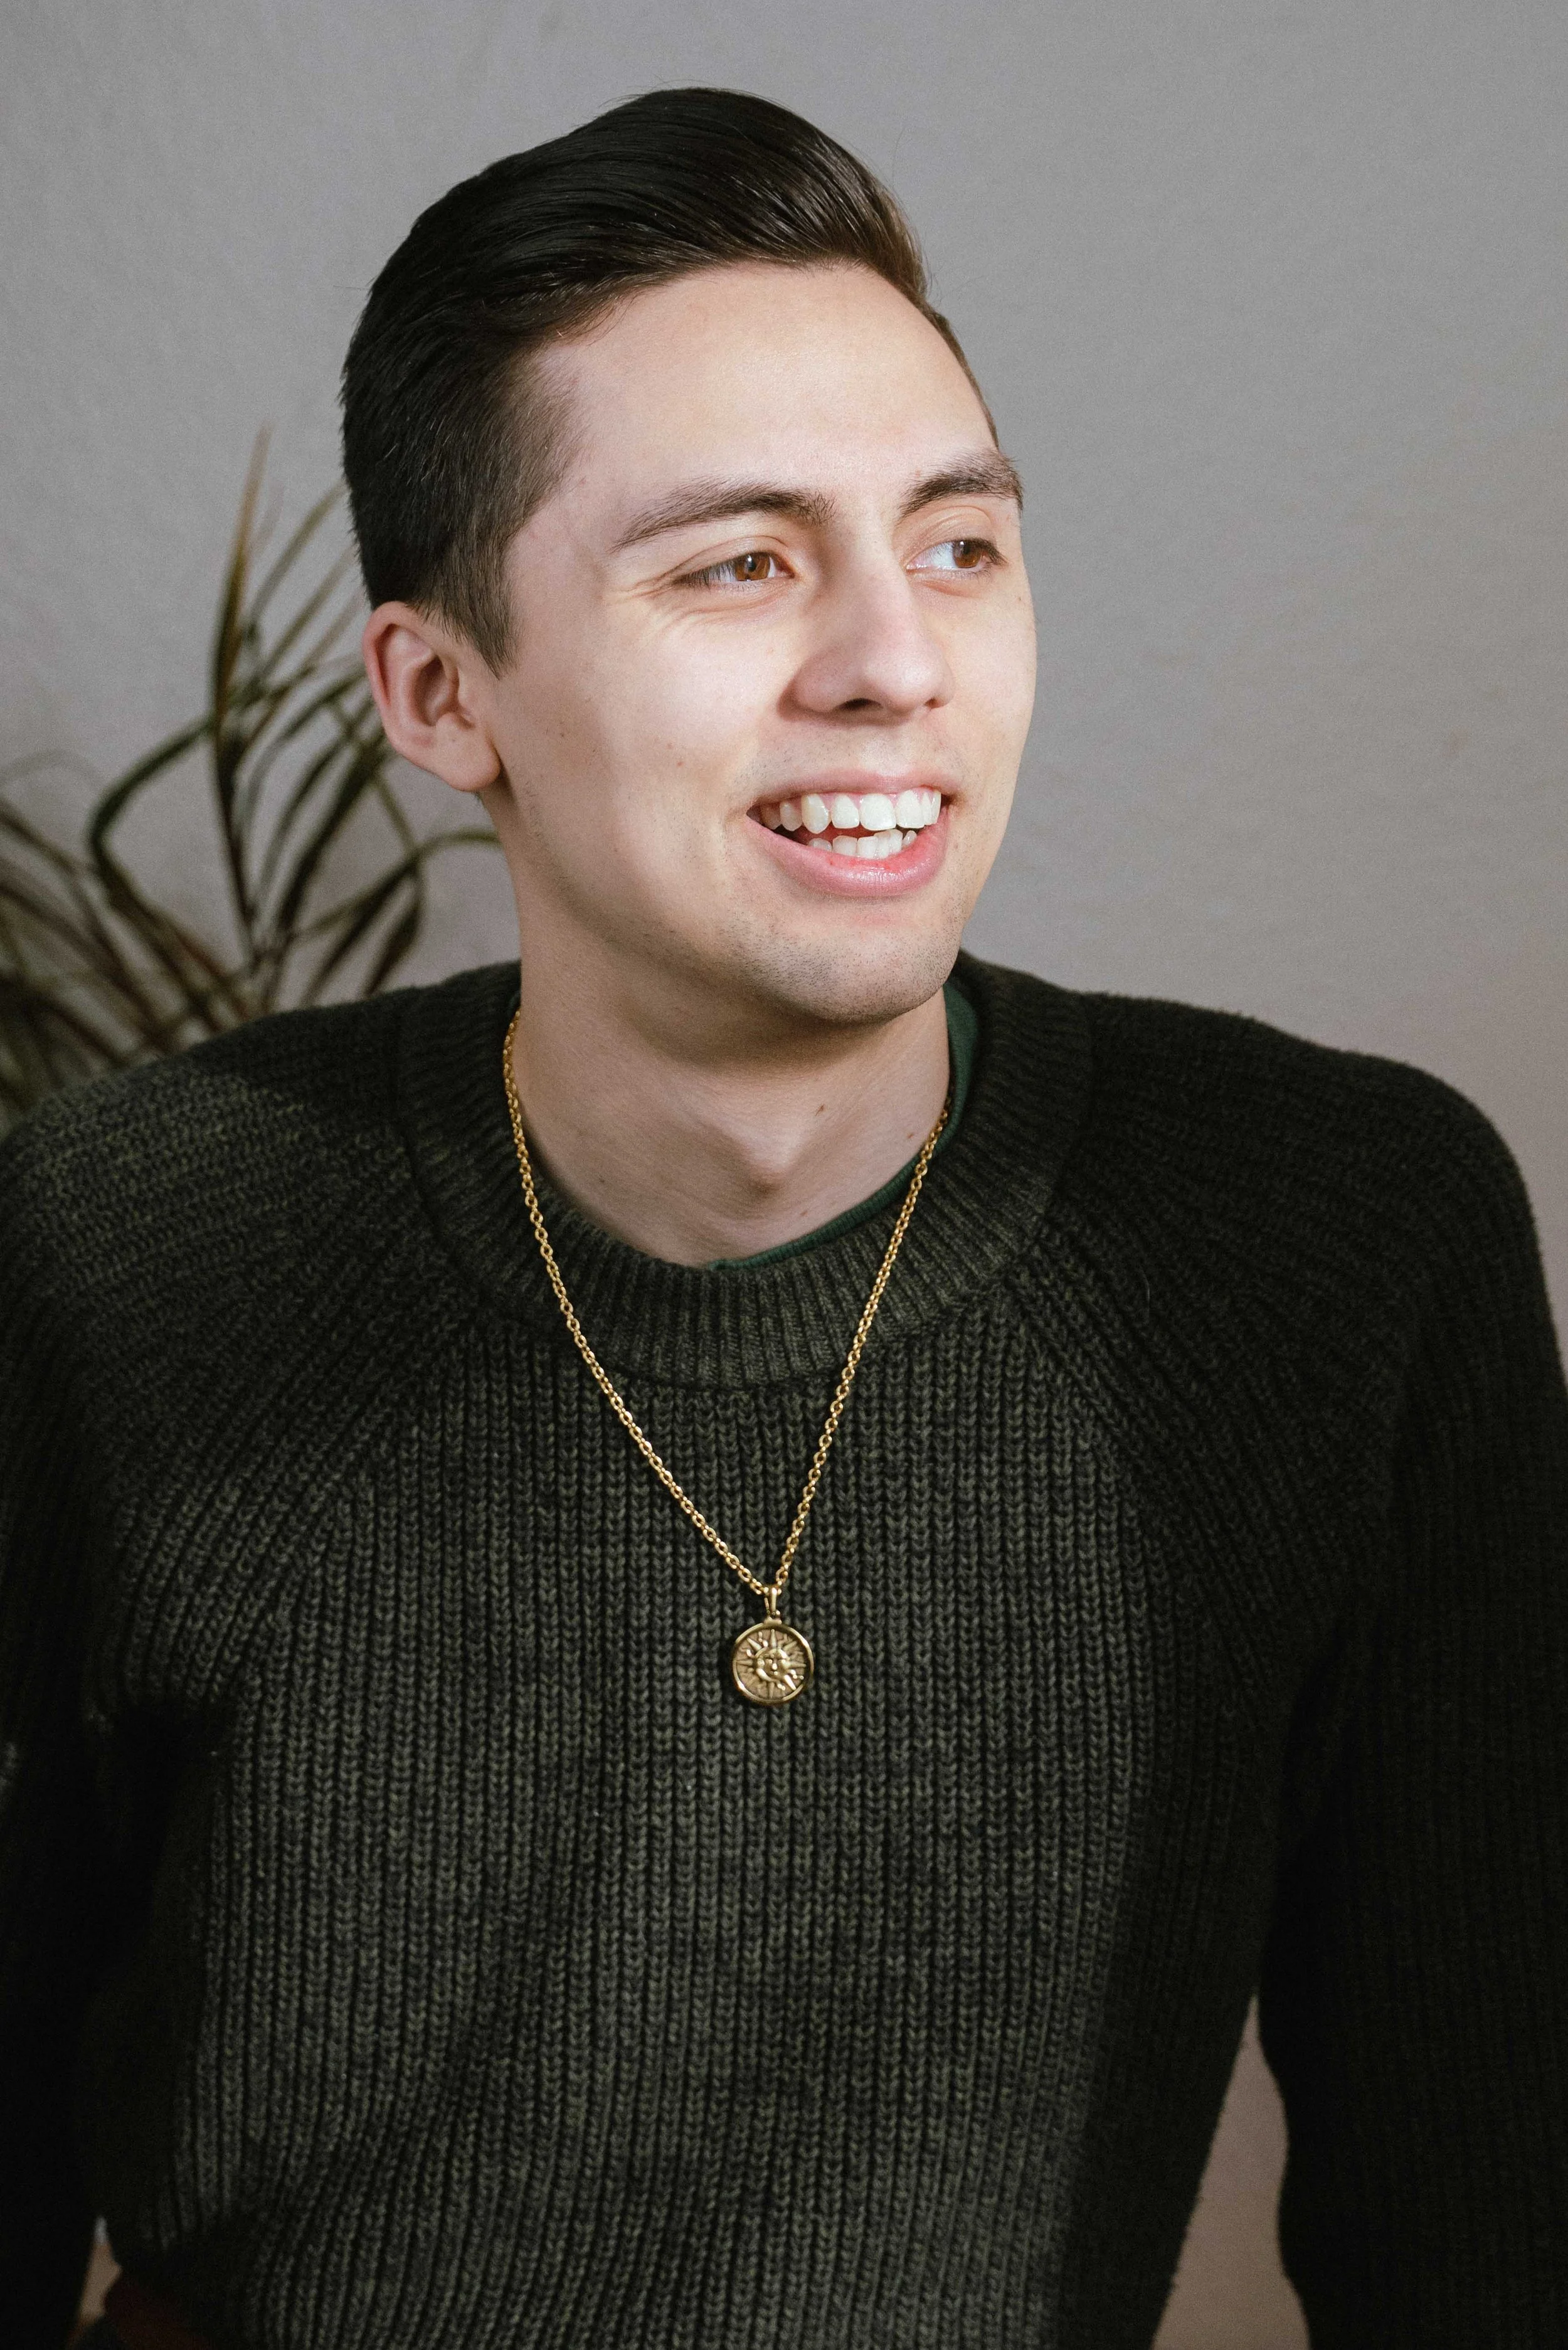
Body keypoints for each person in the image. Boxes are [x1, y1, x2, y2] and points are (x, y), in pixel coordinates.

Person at [3, 87, 1564, 2350]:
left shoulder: (1337, 1241)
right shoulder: (114, 1254)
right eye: (736, 564)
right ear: (441, 693)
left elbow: (1490, 2210)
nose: (892, 660)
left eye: (958, 543)